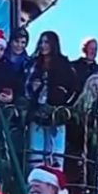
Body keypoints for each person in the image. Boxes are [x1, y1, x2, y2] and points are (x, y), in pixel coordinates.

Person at [24, 30, 77, 169]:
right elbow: (24, 84)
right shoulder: (33, 63)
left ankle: (54, 185)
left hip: (57, 114)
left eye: (46, 42)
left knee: (56, 153)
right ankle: (35, 185)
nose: (43, 45)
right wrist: (33, 89)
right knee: (36, 152)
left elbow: (74, 88)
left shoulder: (64, 64)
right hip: (37, 112)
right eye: (41, 42)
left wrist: (64, 101)